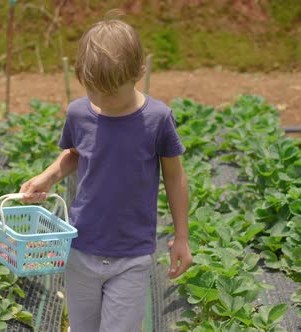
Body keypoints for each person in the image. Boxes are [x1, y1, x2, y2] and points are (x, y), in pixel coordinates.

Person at [19, 12, 193, 332]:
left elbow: (174, 176)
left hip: (132, 255)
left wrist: (181, 236)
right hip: (80, 248)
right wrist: (48, 176)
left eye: (111, 92)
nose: (101, 101)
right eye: (92, 90)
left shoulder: (157, 119)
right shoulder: (78, 112)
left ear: (139, 72)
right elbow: (74, 155)